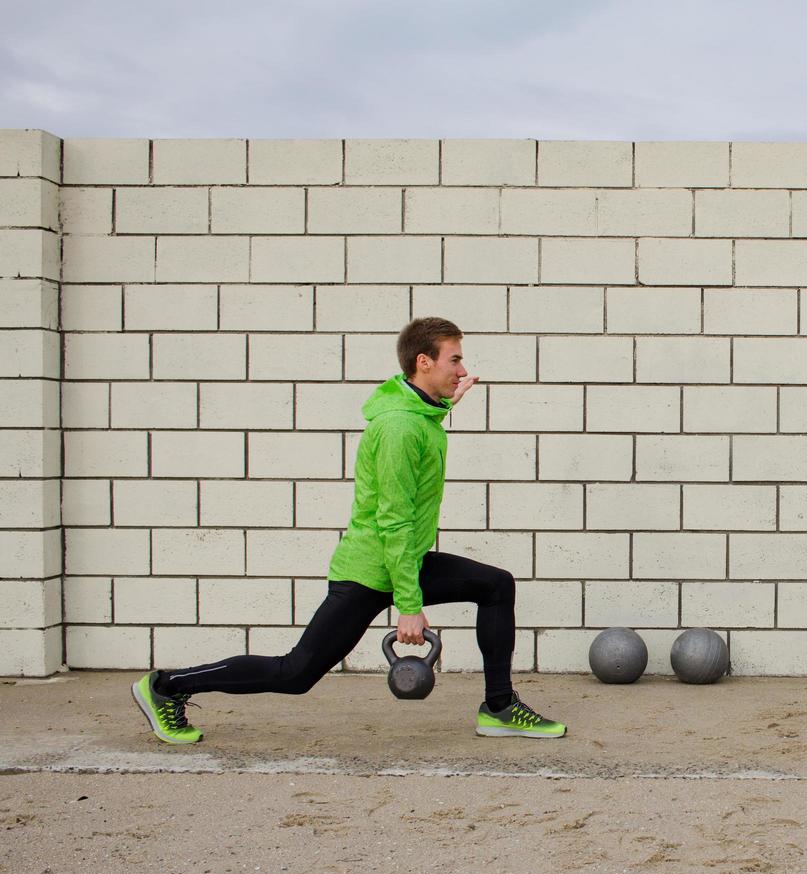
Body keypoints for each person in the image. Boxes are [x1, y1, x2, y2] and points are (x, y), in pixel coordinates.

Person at [132, 317, 566, 743]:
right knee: (295, 673)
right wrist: (409, 605)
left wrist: (447, 403)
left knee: (495, 585)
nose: (462, 370)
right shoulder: (400, 427)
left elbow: (417, 429)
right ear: (424, 362)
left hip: (400, 560)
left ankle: (499, 706)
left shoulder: (415, 413)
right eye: (454, 360)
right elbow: (394, 519)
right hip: (371, 569)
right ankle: (167, 686)